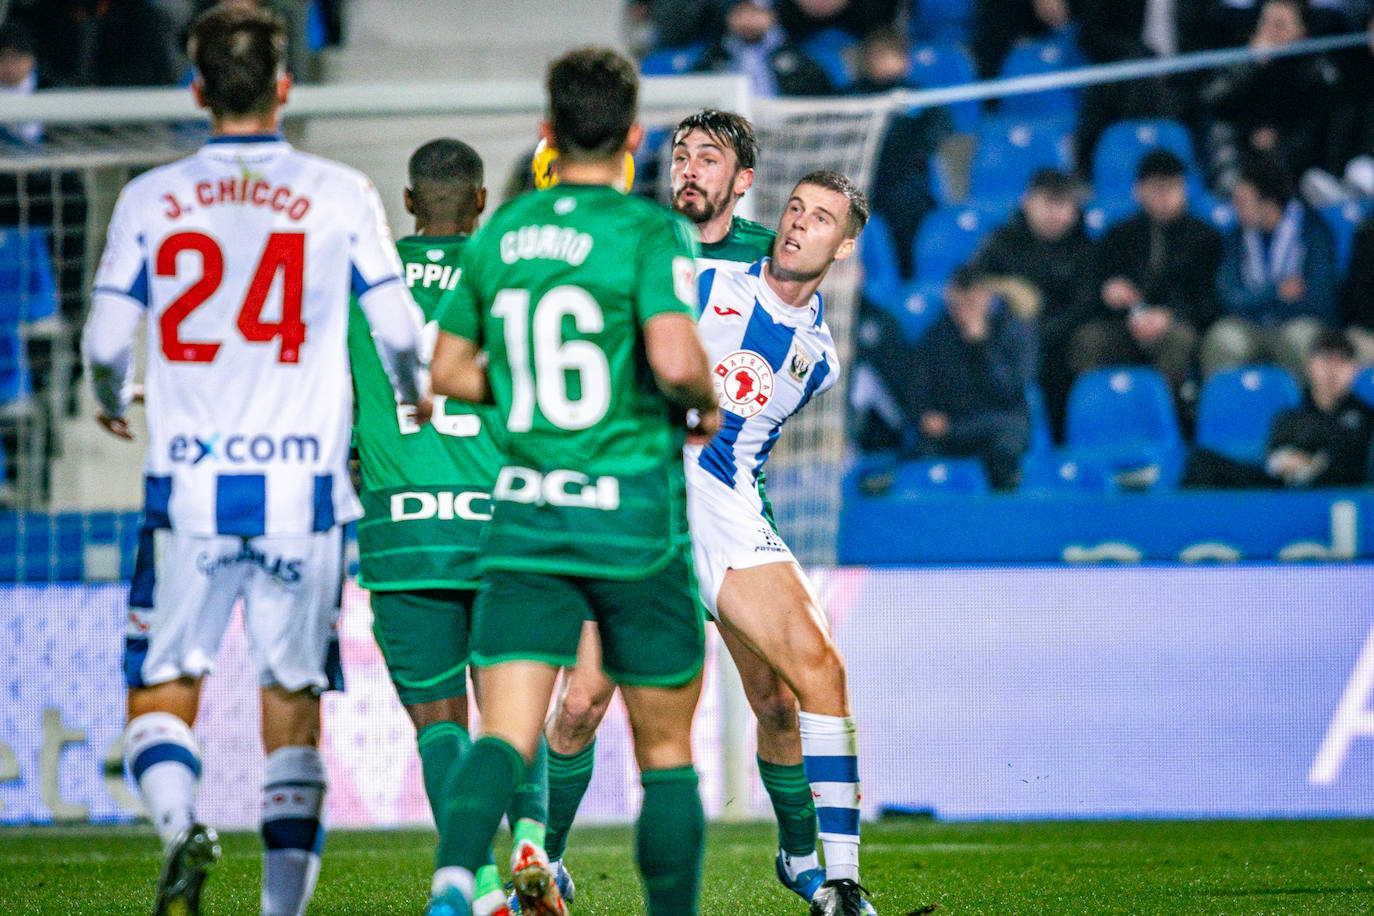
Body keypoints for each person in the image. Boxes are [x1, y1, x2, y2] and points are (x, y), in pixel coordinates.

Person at [81, 7, 427, 916]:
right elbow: (397, 328)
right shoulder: (341, 191)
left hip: (189, 489)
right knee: (292, 701)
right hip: (304, 497)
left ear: (196, 90)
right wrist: (415, 388)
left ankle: (179, 827)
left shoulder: (150, 197)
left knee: (163, 687)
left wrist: (113, 400)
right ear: (284, 87)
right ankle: (279, 912)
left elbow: (108, 340)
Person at [424, 47, 720, 916]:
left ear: (547, 132)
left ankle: (451, 889)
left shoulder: (501, 232)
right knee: (666, 752)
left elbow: (447, 369)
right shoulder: (646, 231)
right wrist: (701, 401)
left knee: (504, 737)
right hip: (632, 523)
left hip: (528, 520)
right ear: (633, 136)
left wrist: (521, 392)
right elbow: (671, 357)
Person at [537, 110, 842, 914]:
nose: (690, 168)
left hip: (724, 506)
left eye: (710, 156)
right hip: (636, 508)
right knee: (578, 703)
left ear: (743, 182)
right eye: (680, 154)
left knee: (777, 698)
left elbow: (789, 364)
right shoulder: (637, 241)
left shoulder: (769, 257)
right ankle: (547, 862)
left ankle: (804, 858)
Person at [348, 138, 549, 916]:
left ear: (408, 203)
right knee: (515, 704)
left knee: (440, 725)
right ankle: (530, 835)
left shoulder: (365, 278)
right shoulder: (511, 270)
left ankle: (483, 887)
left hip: (403, 533)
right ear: (479, 204)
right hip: (503, 525)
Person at [1072, 150, 1224, 406]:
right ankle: (1097, 412)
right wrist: (1109, 295)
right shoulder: (1118, 236)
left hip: (1177, 325)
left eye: (1173, 187)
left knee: (1178, 340)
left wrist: (1170, 315)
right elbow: (1090, 294)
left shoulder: (1206, 238)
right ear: (1139, 190)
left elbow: (1213, 300)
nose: (1165, 197)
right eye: (1157, 189)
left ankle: (1161, 417)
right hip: (1124, 325)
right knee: (1090, 338)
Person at [969, 167, 1096, 440]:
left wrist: (1040, 334)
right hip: (1009, 339)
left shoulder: (1084, 248)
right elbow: (973, 285)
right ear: (1028, 203)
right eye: (1049, 203)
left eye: (1065, 205)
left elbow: (1084, 307)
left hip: (1060, 345)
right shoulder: (1002, 243)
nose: (1057, 214)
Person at [1201, 154, 1339, 380]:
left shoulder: (1313, 230)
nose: (1235, 209)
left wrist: (1260, 300)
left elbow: (1320, 297)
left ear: (1268, 205)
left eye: (1242, 202)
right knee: (1221, 340)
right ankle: (1224, 411)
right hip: (1250, 324)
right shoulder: (1237, 236)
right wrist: (1276, 293)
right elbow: (1228, 295)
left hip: (1297, 321)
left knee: (1300, 341)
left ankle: (1305, 413)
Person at [1183, 329, 1374, 487]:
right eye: (1326, 360)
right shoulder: (1291, 416)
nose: (1333, 370)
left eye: (1342, 362)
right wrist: (1282, 461)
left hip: (1339, 496)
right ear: (1309, 366)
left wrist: (1313, 464)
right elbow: (1272, 459)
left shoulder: (1366, 417)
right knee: (1203, 462)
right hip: (1284, 493)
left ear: (1355, 370)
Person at [908, 265, 1037, 490]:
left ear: (987, 298)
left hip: (999, 425)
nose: (963, 313)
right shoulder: (936, 336)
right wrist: (925, 415)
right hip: (953, 429)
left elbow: (1009, 390)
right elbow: (918, 388)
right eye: (957, 306)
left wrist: (982, 346)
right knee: (922, 455)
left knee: (1006, 443)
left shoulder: (1014, 331)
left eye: (971, 305)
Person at [693, 0, 835, 97]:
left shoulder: (796, 57)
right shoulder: (715, 56)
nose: (749, 20)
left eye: (756, 13)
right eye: (742, 13)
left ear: (772, 15)